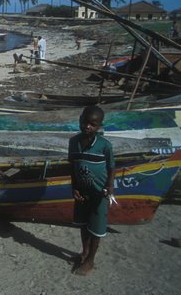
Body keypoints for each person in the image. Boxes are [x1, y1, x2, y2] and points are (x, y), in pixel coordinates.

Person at [68, 105, 115, 276]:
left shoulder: (104, 145)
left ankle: (90, 261)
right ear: (80, 120)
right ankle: (85, 252)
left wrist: (109, 186)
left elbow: (111, 167)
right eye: (85, 122)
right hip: (82, 191)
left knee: (96, 229)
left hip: (99, 193)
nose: (88, 127)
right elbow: (72, 166)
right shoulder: (73, 142)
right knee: (83, 224)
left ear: (99, 126)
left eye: (93, 124)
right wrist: (74, 187)